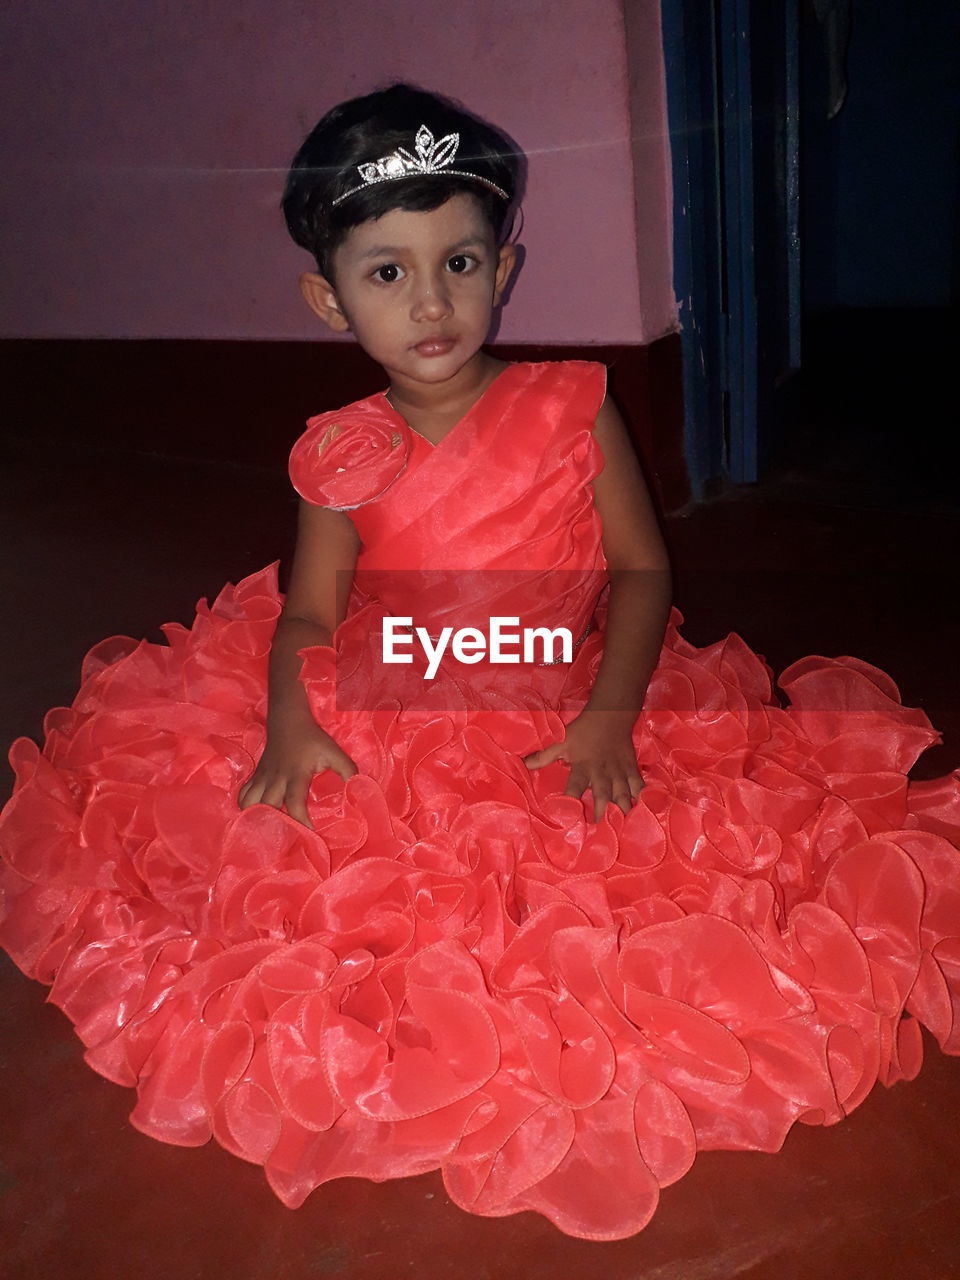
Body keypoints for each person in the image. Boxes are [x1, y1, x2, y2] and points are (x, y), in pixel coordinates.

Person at [0, 83, 957, 1243]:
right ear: (327, 295)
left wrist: (610, 715)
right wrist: (293, 720)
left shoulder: (574, 406)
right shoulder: (339, 450)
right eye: (387, 272)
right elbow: (307, 614)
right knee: (335, 900)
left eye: (460, 259)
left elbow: (642, 574)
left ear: (505, 268)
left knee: (630, 890)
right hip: (392, 693)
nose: (432, 300)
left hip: (561, 687)